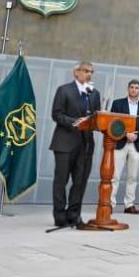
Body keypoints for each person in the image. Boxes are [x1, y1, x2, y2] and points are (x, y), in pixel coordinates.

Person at [49, 61, 101, 227]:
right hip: (65, 142)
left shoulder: (94, 94)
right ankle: (60, 216)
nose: (89, 74)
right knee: (61, 180)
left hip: (85, 145)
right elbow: (56, 114)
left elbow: (96, 117)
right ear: (76, 72)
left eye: (91, 72)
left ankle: (74, 214)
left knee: (80, 181)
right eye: (86, 71)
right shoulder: (64, 90)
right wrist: (74, 122)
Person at [109, 79, 139, 215]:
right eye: (132, 87)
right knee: (115, 176)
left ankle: (129, 205)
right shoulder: (117, 103)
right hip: (120, 143)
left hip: (136, 144)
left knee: (132, 177)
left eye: (137, 88)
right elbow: (113, 121)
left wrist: (136, 135)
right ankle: (110, 203)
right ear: (128, 89)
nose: (134, 90)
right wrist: (126, 134)